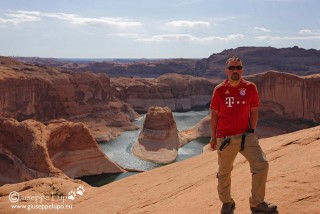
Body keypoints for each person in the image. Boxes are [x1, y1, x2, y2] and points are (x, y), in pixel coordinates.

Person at [209, 57, 277, 214]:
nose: (235, 71)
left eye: (238, 67)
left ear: (242, 70)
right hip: (225, 138)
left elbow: (254, 111)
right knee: (224, 173)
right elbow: (214, 115)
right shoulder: (219, 90)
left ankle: (257, 203)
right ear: (226, 71)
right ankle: (227, 204)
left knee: (261, 164)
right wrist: (213, 137)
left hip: (247, 136)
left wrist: (251, 131)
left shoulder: (250, 87)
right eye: (231, 68)